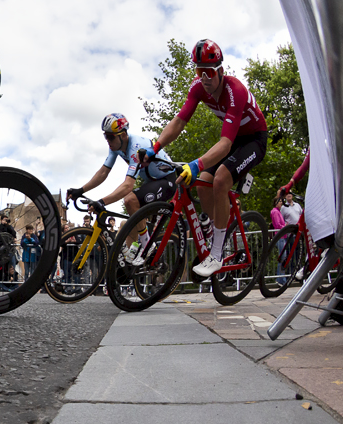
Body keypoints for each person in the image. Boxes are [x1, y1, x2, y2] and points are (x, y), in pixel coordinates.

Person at [141, 40, 268, 277]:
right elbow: (179, 121)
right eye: (199, 72)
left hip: (253, 140)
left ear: (220, 70)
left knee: (219, 179)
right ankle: (217, 230)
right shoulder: (198, 87)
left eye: (209, 72)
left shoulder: (235, 91)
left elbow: (226, 143)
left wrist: (196, 164)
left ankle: (217, 254)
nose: (204, 78)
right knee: (202, 184)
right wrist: (155, 147)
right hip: (234, 140)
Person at [67, 113, 176, 264]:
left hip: (168, 180)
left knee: (130, 200)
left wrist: (102, 202)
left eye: (111, 137)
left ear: (123, 135)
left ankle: (148, 248)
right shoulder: (116, 147)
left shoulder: (136, 147)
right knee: (129, 223)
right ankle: (137, 258)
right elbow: (103, 172)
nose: (108, 141)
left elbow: (128, 185)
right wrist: (81, 190)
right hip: (152, 182)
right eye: (106, 137)